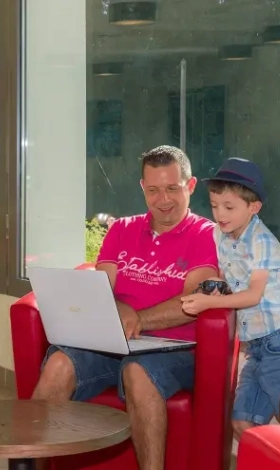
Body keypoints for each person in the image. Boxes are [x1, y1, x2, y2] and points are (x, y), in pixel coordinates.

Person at [32, 145, 219, 470]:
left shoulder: (207, 235)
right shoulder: (122, 229)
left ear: (190, 186)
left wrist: (137, 319)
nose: (163, 200)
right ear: (142, 188)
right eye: (153, 190)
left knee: (138, 372)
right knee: (59, 363)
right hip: (112, 343)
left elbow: (193, 301)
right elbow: (101, 288)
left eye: (172, 188)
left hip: (173, 350)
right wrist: (117, 309)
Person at [181, 157, 280, 438]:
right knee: (241, 423)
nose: (220, 214)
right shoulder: (220, 236)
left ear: (253, 207)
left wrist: (209, 303)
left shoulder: (263, 241)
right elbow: (228, 278)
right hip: (255, 347)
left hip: (276, 342)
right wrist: (216, 287)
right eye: (214, 206)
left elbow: (253, 295)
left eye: (228, 207)